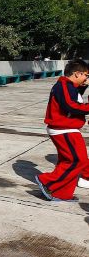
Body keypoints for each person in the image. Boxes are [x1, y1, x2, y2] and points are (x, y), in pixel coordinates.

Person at [35, 59, 89, 201]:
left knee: (71, 161)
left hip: (67, 128)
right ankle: (47, 182)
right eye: (86, 75)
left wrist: (83, 87)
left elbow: (73, 97)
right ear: (77, 74)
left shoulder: (68, 86)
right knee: (77, 161)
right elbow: (70, 105)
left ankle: (61, 193)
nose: (86, 79)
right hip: (64, 129)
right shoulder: (63, 85)